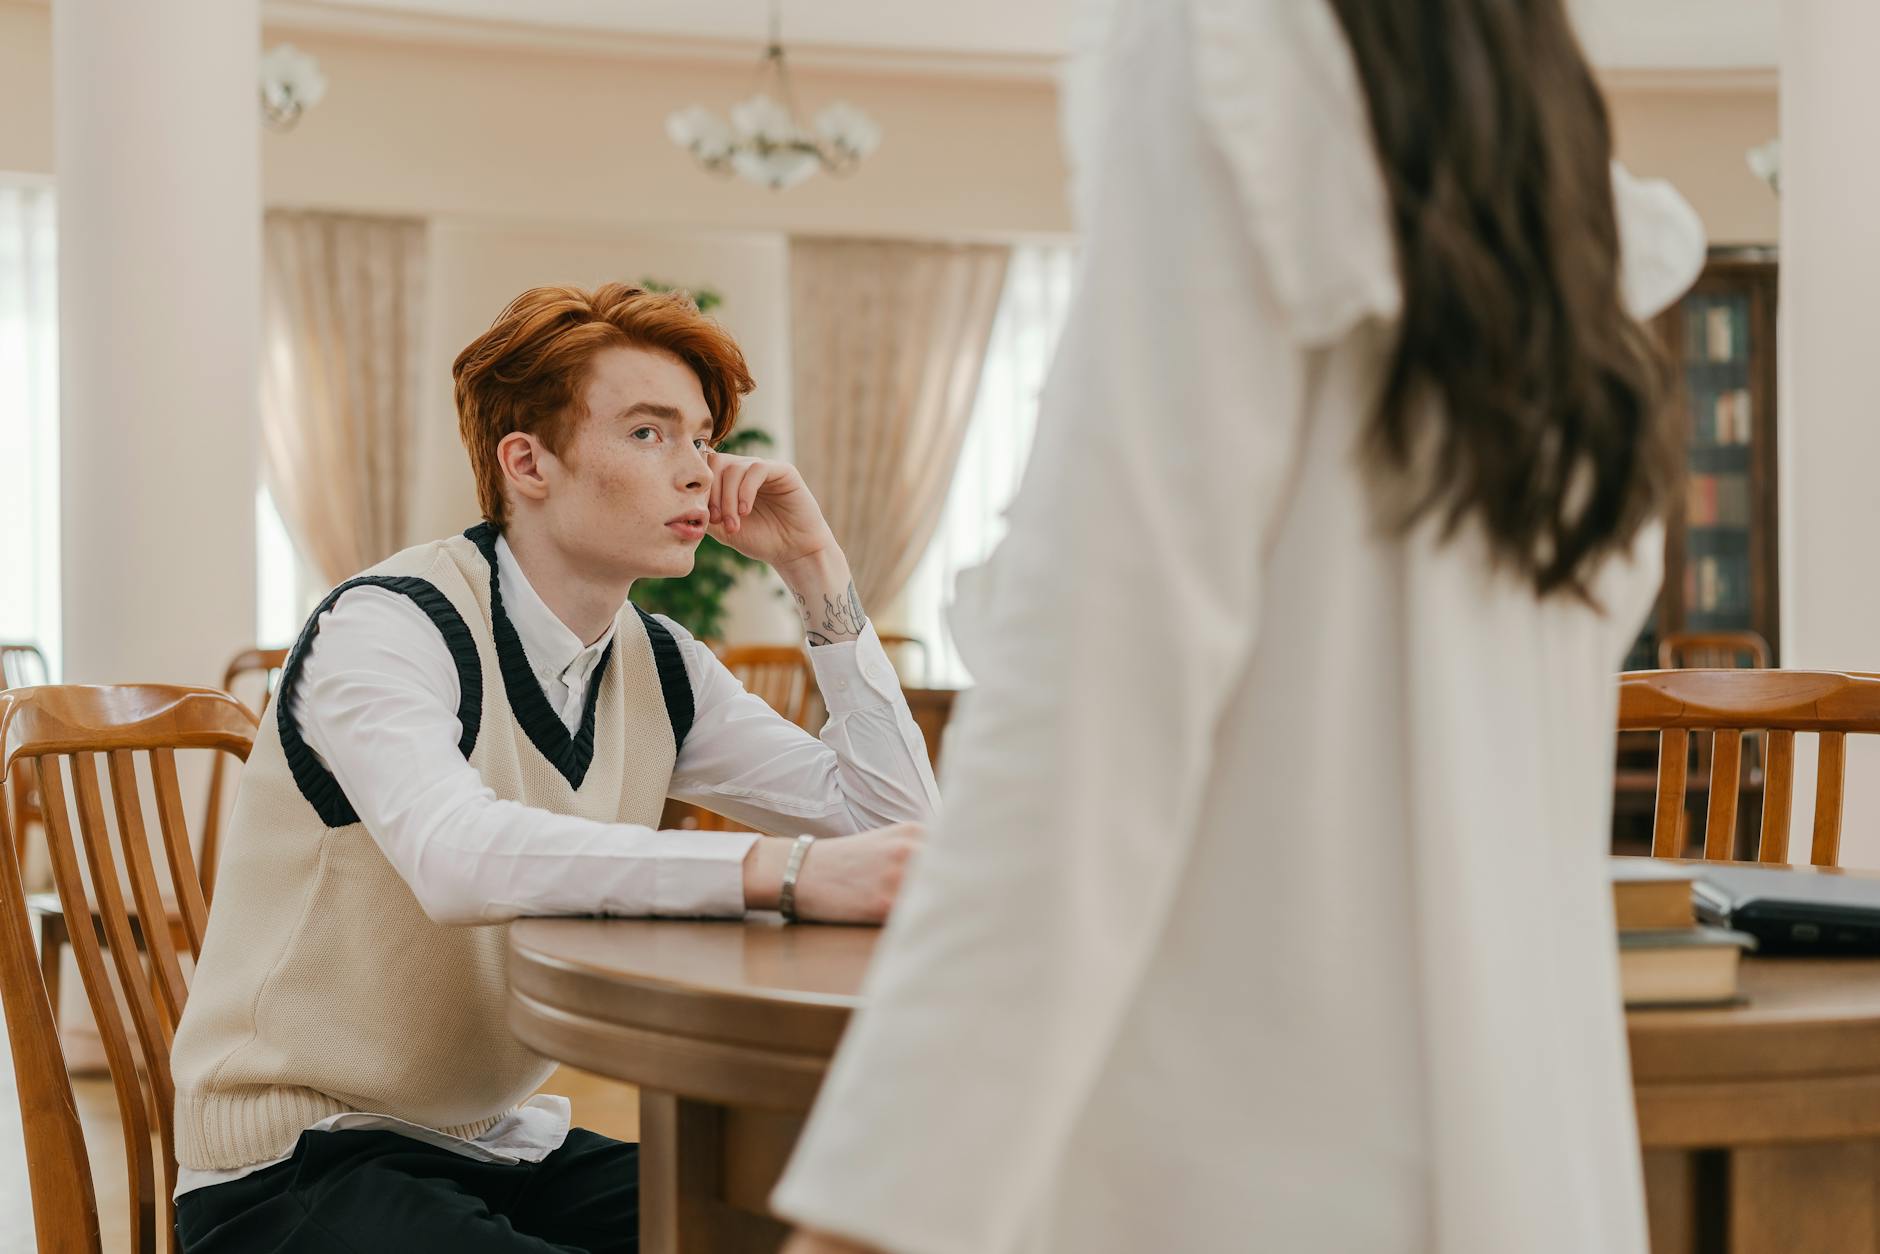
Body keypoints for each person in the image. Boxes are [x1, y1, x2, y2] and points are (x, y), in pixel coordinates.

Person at [771, 0, 1704, 1251]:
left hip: (1239, 1140)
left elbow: (1087, 710)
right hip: (1523, 1144)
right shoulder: (1536, 133)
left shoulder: (1220, 49)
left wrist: (869, 1214)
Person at [169, 282, 936, 1253]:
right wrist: (778, 871)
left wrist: (817, 568)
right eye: (651, 434)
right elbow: (457, 856)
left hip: (495, 1148)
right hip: (295, 1163)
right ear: (526, 462)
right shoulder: (388, 622)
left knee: (830, 1220)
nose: (699, 471)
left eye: (703, 438)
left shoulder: (657, 665)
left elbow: (893, 821)